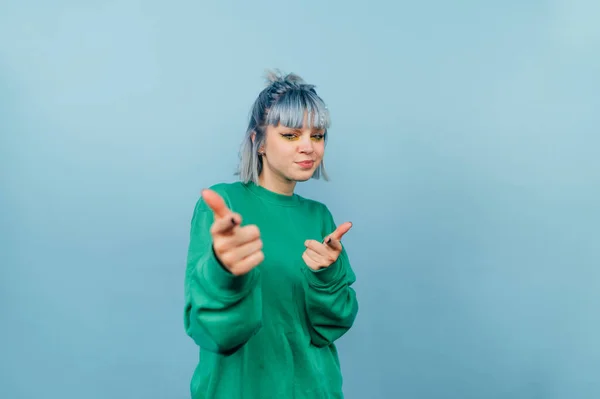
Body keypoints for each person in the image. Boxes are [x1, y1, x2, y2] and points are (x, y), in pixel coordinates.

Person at [183, 70, 359, 398]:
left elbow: (330, 328)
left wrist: (326, 278)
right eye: (291, 135)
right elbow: (213, 332)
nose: (309, 147)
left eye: (317, 136)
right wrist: (225, 271)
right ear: (259, 141)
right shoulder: (225, 206)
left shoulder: (318, 217)